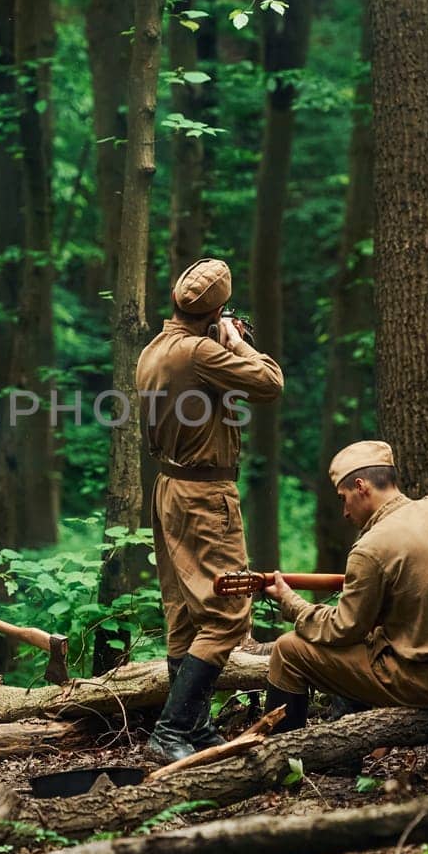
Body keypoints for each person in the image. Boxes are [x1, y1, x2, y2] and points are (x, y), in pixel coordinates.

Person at [136, 257, 285, 763]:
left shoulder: (156, 349)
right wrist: (237, 342)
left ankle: (193, 731)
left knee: (183, 613)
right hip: (205, 496)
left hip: (171, 489)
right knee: (226, 614)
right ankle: (172, 729)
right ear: (216, 311)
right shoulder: (200, 352)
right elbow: (269, 383)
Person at [259, 440, 428, 729]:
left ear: (362, 486)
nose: (345, 512)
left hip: (420, 682)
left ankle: (282, 758)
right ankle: (344, 749)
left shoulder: (370, 548)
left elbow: (343, 629)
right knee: (373, 633)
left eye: (343, 498)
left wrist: (291, 603)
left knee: (289, 650)